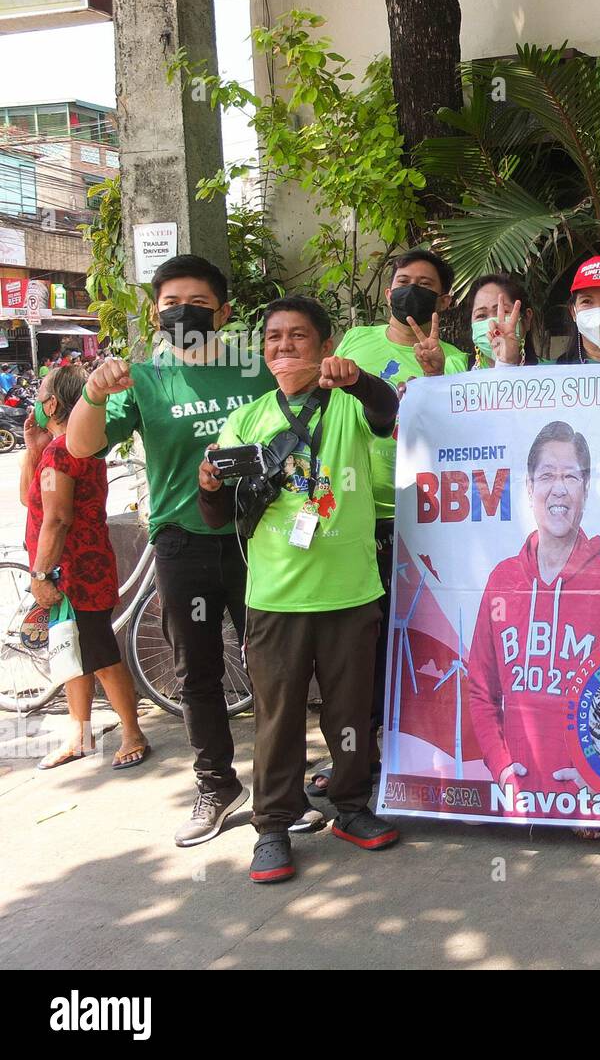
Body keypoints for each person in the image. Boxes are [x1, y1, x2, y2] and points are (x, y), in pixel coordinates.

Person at [65, 254, 276, 846]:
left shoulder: (254, 371)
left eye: (200, 304)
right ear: (156, 315)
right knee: (197, 670)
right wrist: (91, 394)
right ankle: (216, 783)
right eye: (171, 304)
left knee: (270, 665)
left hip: (255, 538)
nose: (184, 312)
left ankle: (276, 788)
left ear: (225, 313)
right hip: (182, 544)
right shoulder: (143, 377)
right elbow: (82, 449)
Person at [199, 295, 400, 883]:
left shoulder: (350, 406)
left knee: (350, 713)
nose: (284, 347)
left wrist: (358, 379)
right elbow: (216, 516)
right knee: (277, 718)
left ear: (325, 346)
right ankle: (272, 826)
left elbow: (388, 412)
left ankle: (352, 806)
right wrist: (208, 481)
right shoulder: (246, 419)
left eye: (299, 337)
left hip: (351, 592)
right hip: (275, 599)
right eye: (273, 338)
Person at [315, 248, 464, 800]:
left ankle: (417, 756)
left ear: (443, 300)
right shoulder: (353, 344)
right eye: (404, 281)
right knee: (355, 650)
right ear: (387, 291)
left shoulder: (453, 356)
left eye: (425, 284)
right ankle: (354, 759)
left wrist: (436, 375)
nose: (412, 291)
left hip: (423, 521)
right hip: (356, 515)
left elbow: (461, 435)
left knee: (415, 645)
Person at [466, 421, 600, 836]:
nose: (558, 489)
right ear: (528, 487)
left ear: (586, 489)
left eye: (570, 477)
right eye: (547, 476)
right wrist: (502, 769)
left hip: (591, 805)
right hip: (519, 805)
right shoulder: (502, 580)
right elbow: (480, 692)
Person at [20, 366, 150, 772]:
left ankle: (132, 732)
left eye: (41, 396)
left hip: (75, 572)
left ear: (54, 403)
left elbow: (56, 519)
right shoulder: (68, 447)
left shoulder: (64, 452)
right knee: (72, 653)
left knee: (99, 653)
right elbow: (31, 501)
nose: (36, 404)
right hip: (72, 569)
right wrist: (31, 446)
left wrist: (41, 576)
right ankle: (80, 735)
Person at [465, 273, 539, 368]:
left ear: (527, 319)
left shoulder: (552, 372)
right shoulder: (456, 367)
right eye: (481, 315)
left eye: (504, 311)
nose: (491, 324)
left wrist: (507, 362)